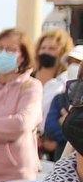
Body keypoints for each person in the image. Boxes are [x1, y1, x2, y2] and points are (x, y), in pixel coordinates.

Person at [0, 27, 44, 182]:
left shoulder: (31, 86)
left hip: (17, 176)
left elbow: (22, 123)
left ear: (23, 56)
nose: (3, 53)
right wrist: (0, 128)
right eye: (0, 48)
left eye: (11, 50)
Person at [36, 29, 75, 158]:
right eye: (43, 47)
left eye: (52, 48)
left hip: (56, 150)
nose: (46, 52)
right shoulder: (27, 79)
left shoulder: (66, 82)